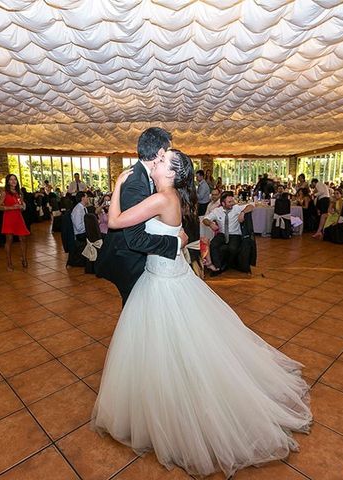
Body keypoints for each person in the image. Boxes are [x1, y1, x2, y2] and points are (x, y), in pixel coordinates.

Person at [92, 149, 311, 478]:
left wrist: (118, 186)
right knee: (173, 346)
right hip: (166, 274)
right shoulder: (167, 196)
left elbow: (114, 221)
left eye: (163, 161)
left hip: (163, 282)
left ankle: (173, 410)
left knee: (170, 344)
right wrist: (177, 239)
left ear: (173, 172)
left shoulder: (162, 197)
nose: (156, 163)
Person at [96, 127, 186, 305]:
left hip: (143, 258)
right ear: (160, 152)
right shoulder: (136, 182)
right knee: (136, 310)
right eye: (166, 152)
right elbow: (134, 238)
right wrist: (175, 242)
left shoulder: (148, 177)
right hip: (129, 258)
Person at [202, 191, 254, 274]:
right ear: (223, 203)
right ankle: (218, 267)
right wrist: (211, 224)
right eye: (229, 202)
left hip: (235, 234)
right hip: (222, 234)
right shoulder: (217, 211)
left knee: (232, 248)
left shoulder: (236, 208)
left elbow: (251, 206)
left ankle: (228, 264)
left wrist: (243, 212)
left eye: (232, 201)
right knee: (213, 244)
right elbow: (205, 220)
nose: (232, 203)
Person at [0, 174, 30, 271]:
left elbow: (21, 206)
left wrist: (22, 206)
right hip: (8, 217)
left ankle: (24, 258)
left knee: (23, 239)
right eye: (11, 180)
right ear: (8, 182)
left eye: (15, 179)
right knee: (9, 240)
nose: (13, 181)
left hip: (18, 217)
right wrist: (11, 207)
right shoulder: (4, 193)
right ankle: (9, 262)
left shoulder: (20, 193)